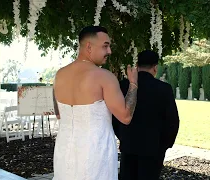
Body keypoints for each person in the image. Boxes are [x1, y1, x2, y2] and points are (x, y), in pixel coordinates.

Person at [52, 26, 138, 180]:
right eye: (105, 46)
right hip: (95, 152)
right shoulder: (104, 76)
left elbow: (59, 113)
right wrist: (133, 84)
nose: (109, 51)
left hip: (64, 151)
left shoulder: (59, 75)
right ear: (89, 47)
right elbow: (125, 117)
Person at [113, 50, 180, 180]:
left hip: (129, 145)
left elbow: (114, 117)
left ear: (137, 65)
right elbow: (172, 121)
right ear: (155, 68)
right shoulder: (164, 88)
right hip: (153, 148)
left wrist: (122, 136)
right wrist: (164, 145)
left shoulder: (123, 85)